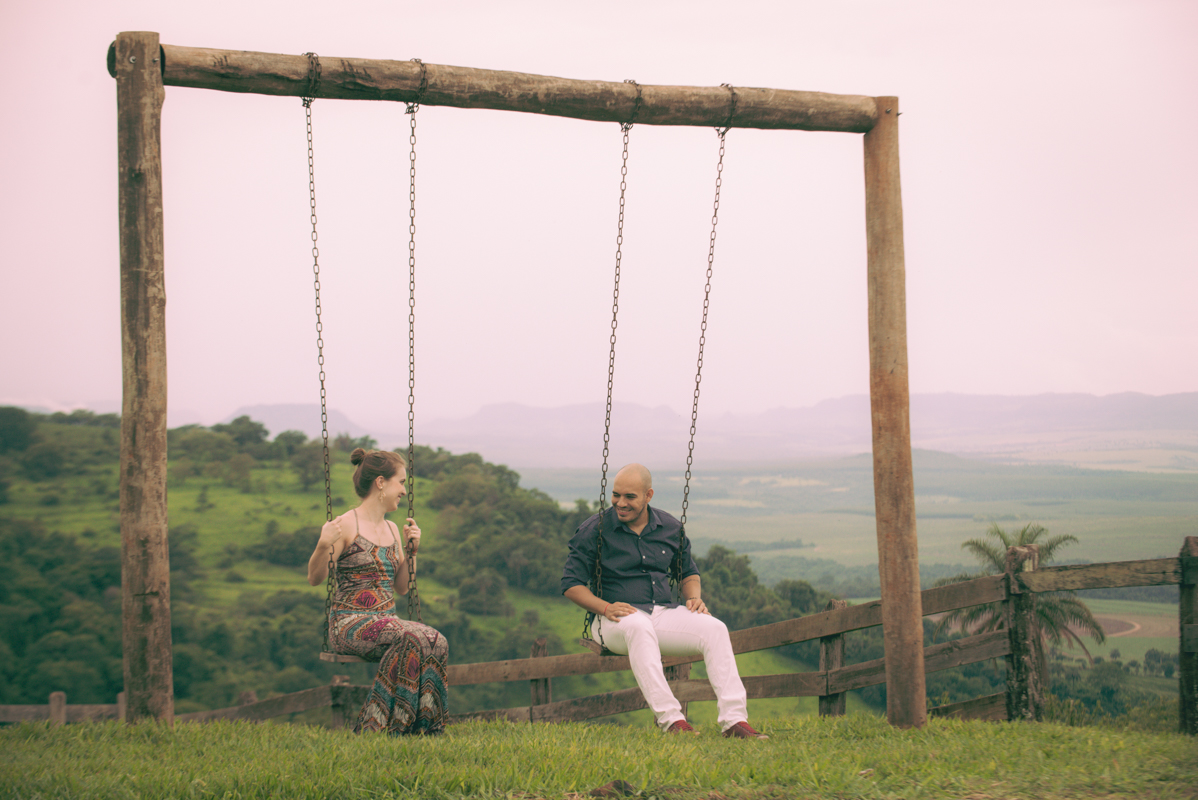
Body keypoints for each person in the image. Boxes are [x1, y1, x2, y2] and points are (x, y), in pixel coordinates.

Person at [561, 463, 767, 739]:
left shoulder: (669, 527)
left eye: (630, 497)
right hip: (612, 620)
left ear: (648, 495)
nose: (620, 503)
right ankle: (673, 722)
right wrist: (605, 607)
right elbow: (571, 585)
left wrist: (694, 597)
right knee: (637, 626)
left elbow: (688, 572)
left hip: (659, 612)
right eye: (616, 495)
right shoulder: (594, 530)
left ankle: (734, 721)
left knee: (715, 628)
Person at [307, 447, 448, 735]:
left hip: (387, 621)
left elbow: (401, 587)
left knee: (437, 641)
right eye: (401, 483)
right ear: (381, 482)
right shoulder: (346, 525)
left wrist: (412, 552)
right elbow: (314, 578)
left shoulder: (394, 530)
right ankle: (381, 726)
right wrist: (322, 545)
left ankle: (425, 728)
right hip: (349, 623)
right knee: (410, 637)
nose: (404, 491)